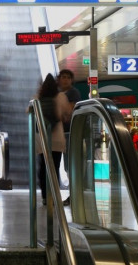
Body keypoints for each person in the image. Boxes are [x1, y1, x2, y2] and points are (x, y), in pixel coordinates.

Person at [35, 74, 70, 206]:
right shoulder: (61, 96)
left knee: (43, 167)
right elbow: (67, 113)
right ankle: (53, 196)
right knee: (54, 168)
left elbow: (29, 111)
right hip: (57, 138)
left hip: (41, 138)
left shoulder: (37, 98)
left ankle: (45, 196)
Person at [57, 69, 80, 205]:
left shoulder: (73, 93)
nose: (65, 80)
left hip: (69, 132)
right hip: (61, 132)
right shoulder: (59, 93)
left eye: (67, 77)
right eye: (62, 77)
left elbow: (69, 113)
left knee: (69, 164)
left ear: (71, 80)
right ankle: (73, 195)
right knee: (66, 165)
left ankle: (74, 195)